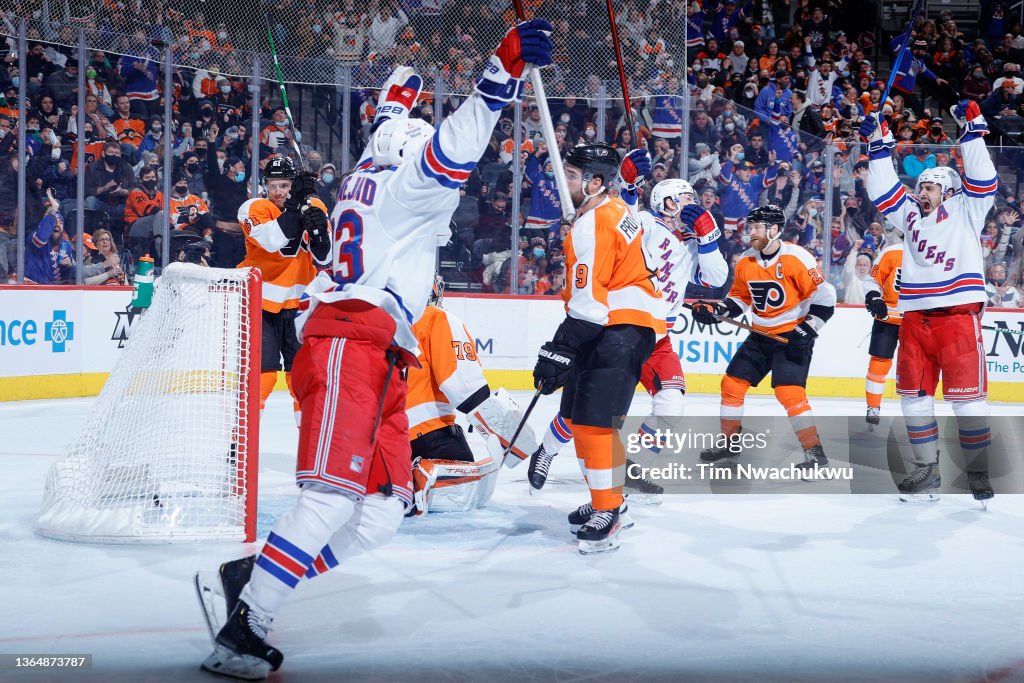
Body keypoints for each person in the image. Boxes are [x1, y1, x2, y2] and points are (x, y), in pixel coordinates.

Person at [196, 21, 554, 679]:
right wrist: (501, 73)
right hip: (348, 343)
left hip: (378, 350)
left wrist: (402, 93)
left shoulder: (369, 169)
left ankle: (255, 571)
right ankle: (244, 627)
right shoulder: (410, 184)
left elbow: (392, 116)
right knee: (331, 498)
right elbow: (457, 143)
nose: (454, 193)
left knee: (382, 514)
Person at [528, 172, 728, 501]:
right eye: (686, 198)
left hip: (659, 338)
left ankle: (632, 468)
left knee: (671, 406)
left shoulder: (692, 244)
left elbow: (716, 278)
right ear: (667, 203)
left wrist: (707, 237)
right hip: (619, 327)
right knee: (578, 410)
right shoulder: (646, 223)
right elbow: (625, 220)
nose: (693, 205)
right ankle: (546, 452)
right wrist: (629, 186)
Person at [860, 101, 997, 504]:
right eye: (920, 186)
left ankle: (978, 473)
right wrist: (877, 142)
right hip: (915, 318)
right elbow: (882, 189)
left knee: (967, 398)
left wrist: (972, 130)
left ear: (949, 191)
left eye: (930, 187)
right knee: (913, 395)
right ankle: (926, 471)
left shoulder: (967, 210)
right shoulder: (911, 216)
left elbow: (984, 178)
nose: (921, 192)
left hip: (957, 316)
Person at [530, 142, 662, 555]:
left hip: (617, 325)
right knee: (580, 417)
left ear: (596, 182)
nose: (563, 181)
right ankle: (607, 497)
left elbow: (588, 301)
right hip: (619, 324)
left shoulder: (594, 222)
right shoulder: (617, 210)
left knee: (595, 424)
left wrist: (560, 346)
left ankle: (610, 510)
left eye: (571, 175)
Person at [691, 204, 837, 470]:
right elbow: (739, 298)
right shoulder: (747, 259)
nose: (752, 232)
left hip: (792, 334)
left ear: (774, 230)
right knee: (731, 385)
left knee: (789, 393)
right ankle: (728, 445)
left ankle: (814, 453)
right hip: (760, 334)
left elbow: (825, 298)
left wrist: (809, 328)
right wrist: (717, 309)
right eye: (751, 227)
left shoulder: (796, 258)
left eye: (758, 227)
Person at [406, 275, 539, 514]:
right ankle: (420, 476)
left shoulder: (385, 322)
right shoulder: (436, 318)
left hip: (384, 438)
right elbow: (464, 386)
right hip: (428, 433)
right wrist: (507, 434)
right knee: (474, 488)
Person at [236, 156, 328, 426]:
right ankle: (242, 440)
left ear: (293, 185)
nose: (278, 191)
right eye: (273, 185)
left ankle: (310, 443)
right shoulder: (252, 208)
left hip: (299, 305)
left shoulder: (314, 206)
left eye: (285, 185)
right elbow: (273, 240)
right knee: (262, 374)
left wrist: (320, 231)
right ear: (265, 186)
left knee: (301, 376)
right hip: (260, 303)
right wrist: (296, 206)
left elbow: (325, 258)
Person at [862, 227, 905, 428]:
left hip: (917, 322)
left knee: (917, 366)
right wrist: (874, 297)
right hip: (887, 318)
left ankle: (917, 410)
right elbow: (872, 280)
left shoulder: (935, 255)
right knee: (879, 362)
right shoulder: (892, 252)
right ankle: (873, 407)